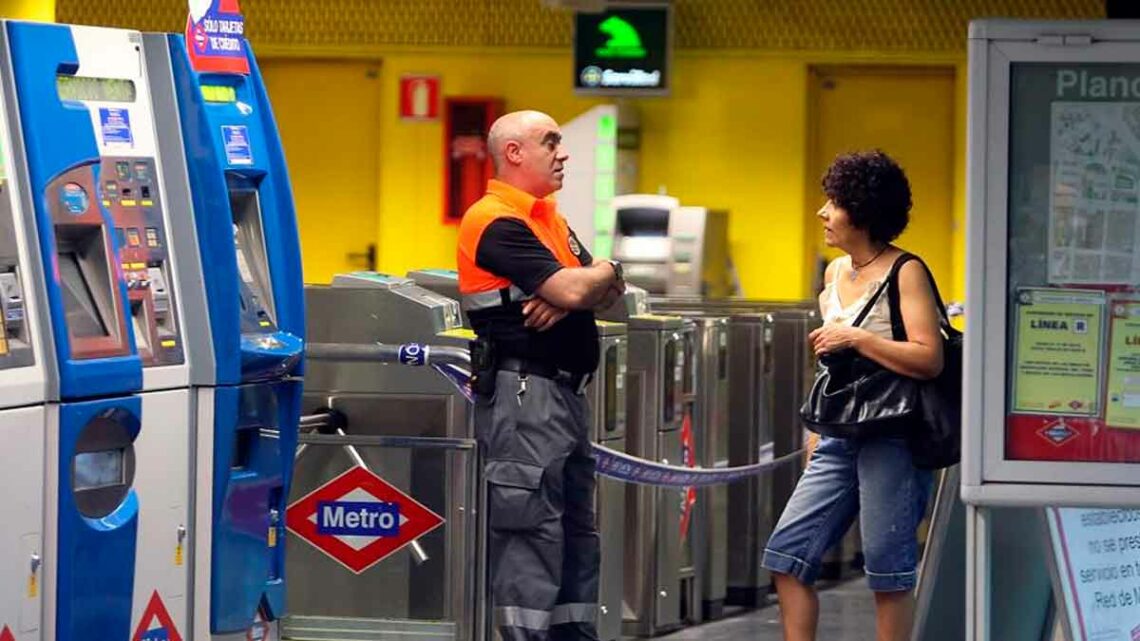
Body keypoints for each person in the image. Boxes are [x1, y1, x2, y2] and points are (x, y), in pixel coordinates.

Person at [761, 150, 944, 641]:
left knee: (888, 570)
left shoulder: (906, 271)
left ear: (862, 211)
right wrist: (814, 430)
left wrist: (859, 339)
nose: (823, 212)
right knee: (787, 553)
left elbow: (929, 357)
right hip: (839, 432)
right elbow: (832, 363)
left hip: (894, 434)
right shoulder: (834, 273)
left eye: (835, 202)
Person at [457, 110, 625, 641]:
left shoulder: (547, 218)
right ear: (514, 153)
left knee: (577, 534)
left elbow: (606, 295)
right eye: (551, 142)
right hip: (526, 396)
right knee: (529, 533)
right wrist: (580, 288)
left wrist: (599, 278)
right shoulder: (494, 221)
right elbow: (577, 291)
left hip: (564, 398)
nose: (563, 152)